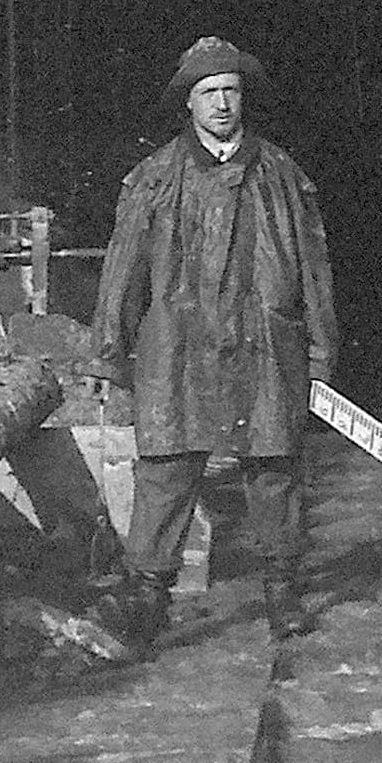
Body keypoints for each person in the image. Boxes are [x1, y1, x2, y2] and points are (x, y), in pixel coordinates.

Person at [89, 37, 337, 652]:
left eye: (231, 91)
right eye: (209, 93)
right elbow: (123, 269)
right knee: (168, 468)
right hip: (179, 345)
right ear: (189, 104)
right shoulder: (153, 179)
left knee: (273, 465)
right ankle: (148, 598)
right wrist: (108, 350)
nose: (222, 103)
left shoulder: (280, 175)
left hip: (263, 340)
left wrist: (321, 353)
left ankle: (283, 593)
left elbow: (313, 269)